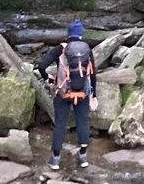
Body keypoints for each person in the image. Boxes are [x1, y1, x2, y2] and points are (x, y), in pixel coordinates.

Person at [36, 20, 98, 170]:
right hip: (82, 93)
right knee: (82, 122)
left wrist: (48, 79)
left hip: (63, 93)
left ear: (68, 34)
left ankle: (56, 159)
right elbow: (92, 74)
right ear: (81, 34)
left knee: (60, 124)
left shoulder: (60, 49)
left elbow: (41, 66)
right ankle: (83, 157)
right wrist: (93, 94)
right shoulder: (86, 50)